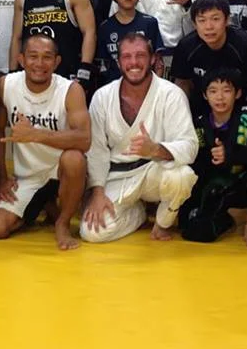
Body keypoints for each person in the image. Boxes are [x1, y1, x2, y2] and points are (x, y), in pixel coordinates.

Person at [80, 33, 198, 242]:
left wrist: (155, 149)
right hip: (117, 175)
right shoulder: (103, 97)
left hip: (154, 170)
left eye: (140, 55)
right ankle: (138, 212)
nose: (134, 62)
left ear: (152, 59)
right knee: (92, 233)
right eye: (127, 56)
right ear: (119, 62)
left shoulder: (171, 94)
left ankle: (162, 223)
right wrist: (97, 192)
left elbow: (190, 146)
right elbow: (96, 150)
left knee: (182, 176)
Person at [0, 34, 90, 250]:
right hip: (28, 176)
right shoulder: (6, 85)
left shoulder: (71, 90)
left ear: (57, 62)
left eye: (47, 57)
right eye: (33, 56)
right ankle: (43, 203)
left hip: (62, 170)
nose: (40, 63)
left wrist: (35, 134)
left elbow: (84, 139)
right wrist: (2, 178)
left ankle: (63, 222)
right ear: (21, 59)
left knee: (74, 158)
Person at [178, 68, 247, 248]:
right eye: (213, 91)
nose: (220, 97)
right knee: (193, 230)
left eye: (226, 90)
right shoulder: (199, 121)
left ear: (237, 93)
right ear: (205, 95)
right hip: (218, 185)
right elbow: (195, 164)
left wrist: (232, 155)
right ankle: (223, 220)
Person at [171, 0, 247, 117]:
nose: (209, 27)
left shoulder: (246, 44)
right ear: (194, 24)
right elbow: (182, 85)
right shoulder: (186, 46)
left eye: (215, 19)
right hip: (200, 111)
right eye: (202, 20)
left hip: (240, 111)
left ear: (227, 20)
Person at [96, 0, 164, 85]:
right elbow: (102, 66)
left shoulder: (150, 23)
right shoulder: (105, 27)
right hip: (115, 88)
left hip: (146, 86)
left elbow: (158, 63)